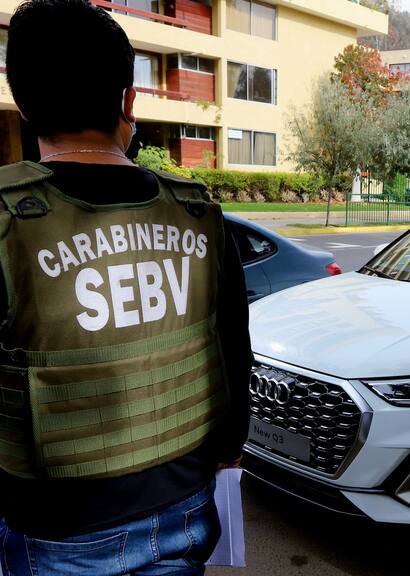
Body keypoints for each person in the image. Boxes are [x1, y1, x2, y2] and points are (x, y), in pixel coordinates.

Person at [0, 1, 252, 574]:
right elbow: (234, 353)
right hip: (186, 509)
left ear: (24, 105)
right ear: (128, 102)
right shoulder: (197, 213)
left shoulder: (8, 220)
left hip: (57, 532)